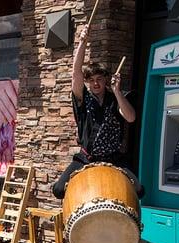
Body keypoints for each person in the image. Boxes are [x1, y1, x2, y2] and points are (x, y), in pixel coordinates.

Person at [52, 24, 143, 199]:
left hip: (113, 159)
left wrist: (117, 91)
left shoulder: (116, 99)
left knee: (138, 190)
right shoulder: (83, 98)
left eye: (99, 79)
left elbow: (131, 118)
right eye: (91, 80)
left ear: (106, 80)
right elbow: (75, 73)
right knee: (58, 190)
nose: (95, 83)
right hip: (87, 158)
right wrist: (82, 42)